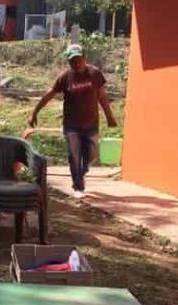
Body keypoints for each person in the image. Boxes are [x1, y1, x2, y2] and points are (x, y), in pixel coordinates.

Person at [29, 44, 117, 199]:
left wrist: (109, 116)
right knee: (74, 154)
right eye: (72, 61)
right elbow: (49, 95)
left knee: (92, 155)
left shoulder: (95, 74)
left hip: (91, 123)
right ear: (69, 62)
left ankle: (81, 173)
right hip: (72, 124)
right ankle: (77, 184)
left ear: (84, 58)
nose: (76, 64)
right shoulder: (65, 77)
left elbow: (102, 96)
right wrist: (35, 112)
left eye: (78, 60)